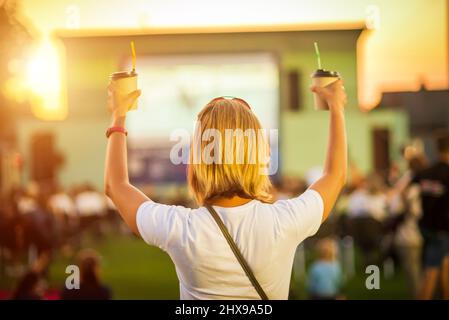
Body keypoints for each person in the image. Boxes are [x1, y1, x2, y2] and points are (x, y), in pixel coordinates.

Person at [104, 77, 347, 299]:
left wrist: (119, 114)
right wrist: (336, 107)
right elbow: (334, 176)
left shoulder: (180, 228)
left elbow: (116, 186)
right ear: (258, 155)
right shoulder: (285, 222)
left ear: (199, 159)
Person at [414, 131, 449, 300]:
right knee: (432, 271)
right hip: (441, 228)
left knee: (444, 265)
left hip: (426, 226)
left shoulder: (425, 172)